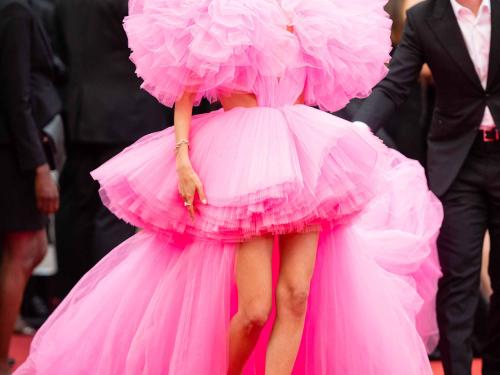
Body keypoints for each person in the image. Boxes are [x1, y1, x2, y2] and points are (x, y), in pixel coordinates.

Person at [16, 0, 443, 374]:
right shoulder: (216, 7)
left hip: (303, 153)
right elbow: (186, 88)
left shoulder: (320, 9)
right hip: (242, 156)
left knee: (295, 296)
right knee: (255, 309)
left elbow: (317, 87)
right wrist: (183, 156)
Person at [354, 0, 500, 374]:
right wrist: (356, 130)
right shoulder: (423, 18)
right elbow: (393, 86)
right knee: (459, 282)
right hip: (458, 164)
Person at [52, 0, 175, 298]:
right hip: (128, 114)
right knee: (114, 215)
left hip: (81, 112)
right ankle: (102, 301)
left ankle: (70, 298)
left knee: (78, 207)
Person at [0, 0, 61, 374]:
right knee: (26, 249)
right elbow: (16, 96)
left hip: (14, 148)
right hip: (15, 154)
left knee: (26, 250)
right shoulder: (16, 13)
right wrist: (39, 166)